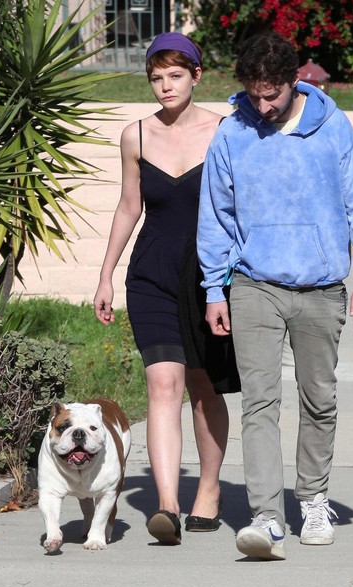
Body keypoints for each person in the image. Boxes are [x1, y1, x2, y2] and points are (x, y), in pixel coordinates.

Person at [197, 32, 353, 560]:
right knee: (260, 402)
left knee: (318, 399)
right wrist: (215, 288)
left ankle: (314, 501)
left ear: (293, 82)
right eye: (254, 95)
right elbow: (216, 215)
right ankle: (267, 515)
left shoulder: (333, 127)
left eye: (272, 95)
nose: (263, 105)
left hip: (322, 286)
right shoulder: (232, 133)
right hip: (254, 284)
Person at [93, 32, 232, 546]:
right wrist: (106, 273)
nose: (166, 86)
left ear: (197, 76)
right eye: (156, 77)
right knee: (162, 386)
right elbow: (130, 205)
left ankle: (209, 491)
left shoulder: (225, 131)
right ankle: (168, 507)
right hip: (150, 274)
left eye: (176, 75)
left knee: (204, 388)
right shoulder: (136, 136)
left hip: (210, 278)